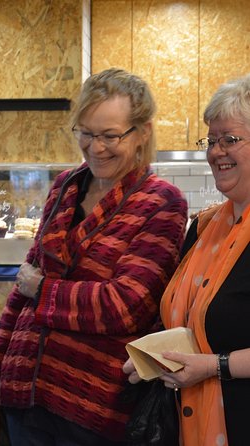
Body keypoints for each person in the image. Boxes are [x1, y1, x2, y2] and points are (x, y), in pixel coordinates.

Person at [0, 68, 188, 445]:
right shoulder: (65, 186)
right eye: (86, 133)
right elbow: (20, 292)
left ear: (142, 133)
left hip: (91, 410)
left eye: (110, 136)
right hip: (24, 394)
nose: (96, 148)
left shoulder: (161, 202)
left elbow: (125, 305)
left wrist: (43, 290)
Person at [123, 73, 250, 446]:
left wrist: (213, 367)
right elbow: (192, 324)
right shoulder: (205, 227)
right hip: (187, 424)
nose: (215, 151)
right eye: (211, 140)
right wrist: (154, 356)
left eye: (230, 139)